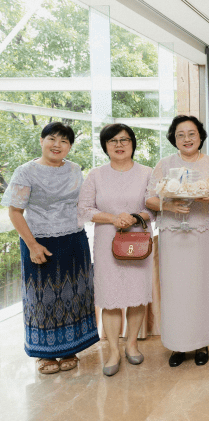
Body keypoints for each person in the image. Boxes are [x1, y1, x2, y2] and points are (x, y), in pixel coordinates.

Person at [2, 122, 99, 375]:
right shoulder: (25, 172)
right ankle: (44, 354)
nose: (58, 145)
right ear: (42, 140)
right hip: (40, 241)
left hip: (74, 239)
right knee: (41, 297)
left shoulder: (75, 169)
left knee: (75, 293)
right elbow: (14, 211)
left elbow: (84, 204)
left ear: (69, 147)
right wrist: (32, 245)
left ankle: (70, 349)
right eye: (52, 139)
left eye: (64, 141)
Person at [77, 124, 154, 376]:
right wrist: (113, 218)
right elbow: (85, 209)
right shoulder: (96, 175)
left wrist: (133, 217)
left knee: (136, 293)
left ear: (133, 143)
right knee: (110, 297)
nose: (119, 144)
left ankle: (131, 344)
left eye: (124, 140)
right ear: (105, 146)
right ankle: (113, 350)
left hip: (138, 240)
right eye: (112, 141)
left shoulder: (147, 173)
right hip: (106, 240)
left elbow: (154, 208)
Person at [145, 115, 209, 367]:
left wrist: (208, 197)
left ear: (200, 136)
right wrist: (170, 205)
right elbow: (149, 199)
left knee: (201, 287)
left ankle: (201, 343)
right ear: (173, 139)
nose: (187, 139)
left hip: (202, 233)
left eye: (191, 133)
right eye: (180, 134)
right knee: (175, 290)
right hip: (173, 234)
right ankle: (177, 345)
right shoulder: (164, 164)